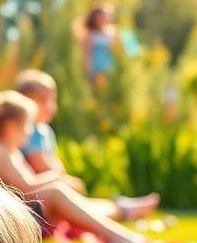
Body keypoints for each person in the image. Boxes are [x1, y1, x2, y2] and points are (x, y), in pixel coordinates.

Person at [0, 91, 195, 243]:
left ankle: (123, 228)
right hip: (6, 222)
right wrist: (58, 178)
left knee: (77, 204)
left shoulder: (4, 149)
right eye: (27, 126)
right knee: (56, 193)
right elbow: (27, 188)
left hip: (19, 216)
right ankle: (119, 234)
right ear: (12, 126)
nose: (30, 131)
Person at [14, 69, 160, 221]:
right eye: (42, 101)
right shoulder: (29, 133)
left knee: (83, 205)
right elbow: (40, 164)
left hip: (50, 188)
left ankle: (121, 206)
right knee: (81, 208)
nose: (49, 106)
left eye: (52, 100)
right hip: (41, 195)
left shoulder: (43, 130)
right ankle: (122, 209)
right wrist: (64, 179)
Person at [75, 1, 119, 89]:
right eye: (106, 15)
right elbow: (86, 56)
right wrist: (91, 73)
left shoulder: (113, 32)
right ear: (96, 18)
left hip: (111, 70)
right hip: (97, 71)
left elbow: (117, 51)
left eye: (110, 15)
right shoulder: (90, 35)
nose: (108, 18)